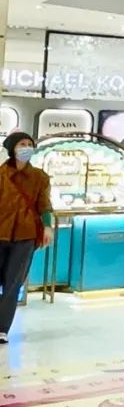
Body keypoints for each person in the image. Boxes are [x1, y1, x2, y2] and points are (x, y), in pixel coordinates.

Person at [0, 132, 54, 344]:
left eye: (29, 144)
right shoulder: (1, 174)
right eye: (22, 144)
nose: (26, 147)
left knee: (13, 283)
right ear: (12, 148)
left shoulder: (40, 177)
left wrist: (47, 226)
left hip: (26, 235)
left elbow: (44, 205)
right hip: (1, 232)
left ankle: (2, 329)